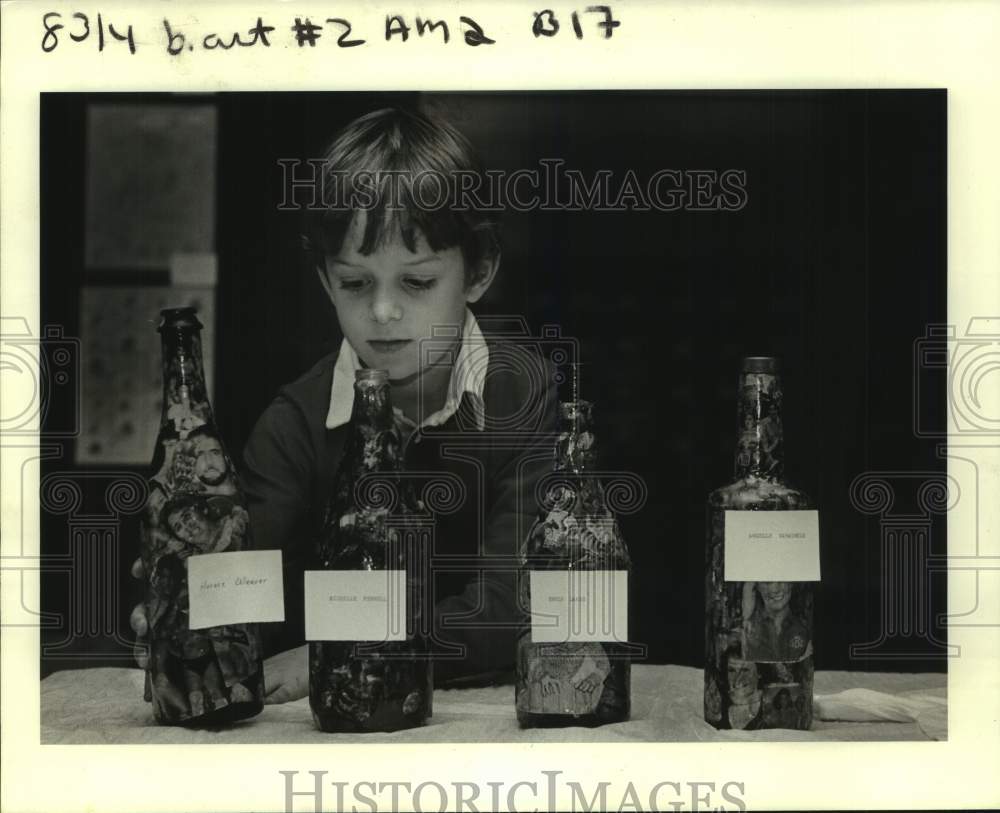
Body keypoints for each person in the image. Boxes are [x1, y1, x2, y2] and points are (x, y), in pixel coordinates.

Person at [131, 107, 558, 705]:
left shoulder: (528, 396)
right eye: (356, 283)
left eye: (416, 283)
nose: (383, 312)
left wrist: (349, 645)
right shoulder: (296, 422)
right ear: (325, 280)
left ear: (479, 271)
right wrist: (191, 604)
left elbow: (519, 601)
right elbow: (257, 589)